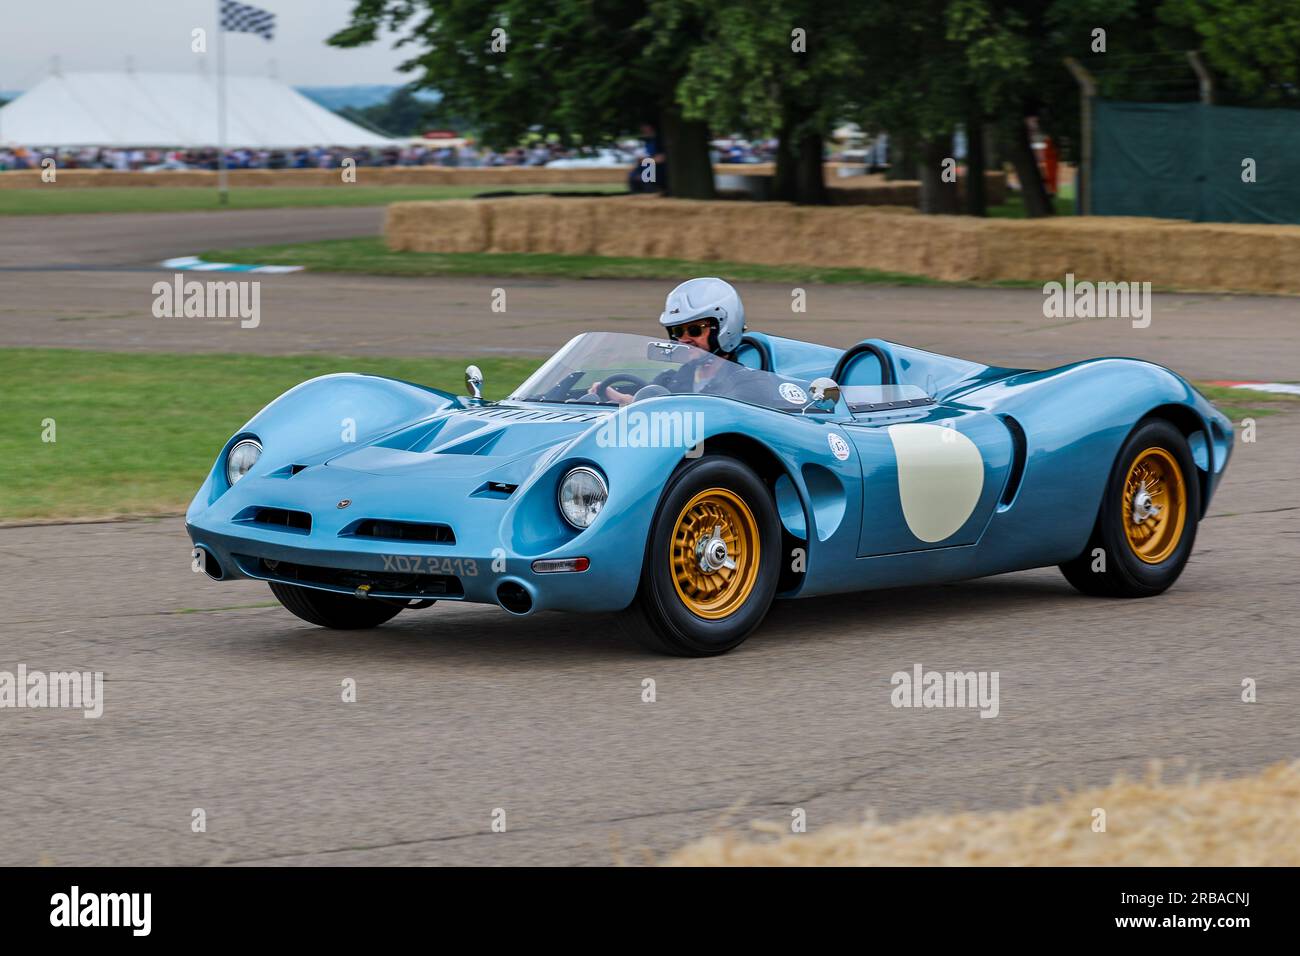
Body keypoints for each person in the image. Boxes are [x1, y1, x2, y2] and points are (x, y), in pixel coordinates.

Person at [591, 277, 746, 406]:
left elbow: (711, 421)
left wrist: (628, 401)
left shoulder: (749, 384)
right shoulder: (671, 379)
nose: (684, 339)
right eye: (677, 331)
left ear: (724, 328)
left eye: (695, 330)